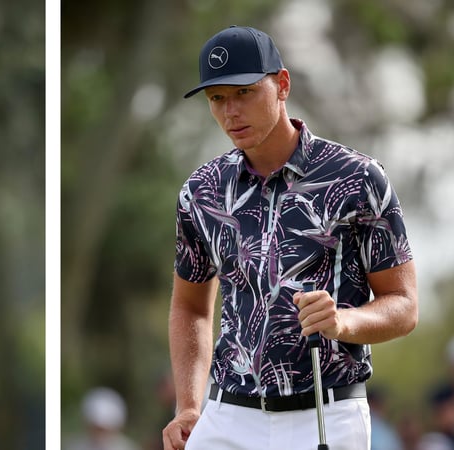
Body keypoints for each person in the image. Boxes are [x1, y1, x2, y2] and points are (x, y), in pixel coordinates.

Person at [162, 26, 417, 450]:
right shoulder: (201, 191)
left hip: (327, 414)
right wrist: (189, 404)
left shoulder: (357, 177)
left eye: (243, 93)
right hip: (227, 416)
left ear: (281, 85)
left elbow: (404, 306)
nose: (230, 113)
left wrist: (343, 322)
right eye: (217, 99)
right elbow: (191, 308)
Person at [65, 387, 142, 450]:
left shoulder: (127, 448)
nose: (100, 434)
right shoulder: (74, 446)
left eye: (104, 429)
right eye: (96, 428)